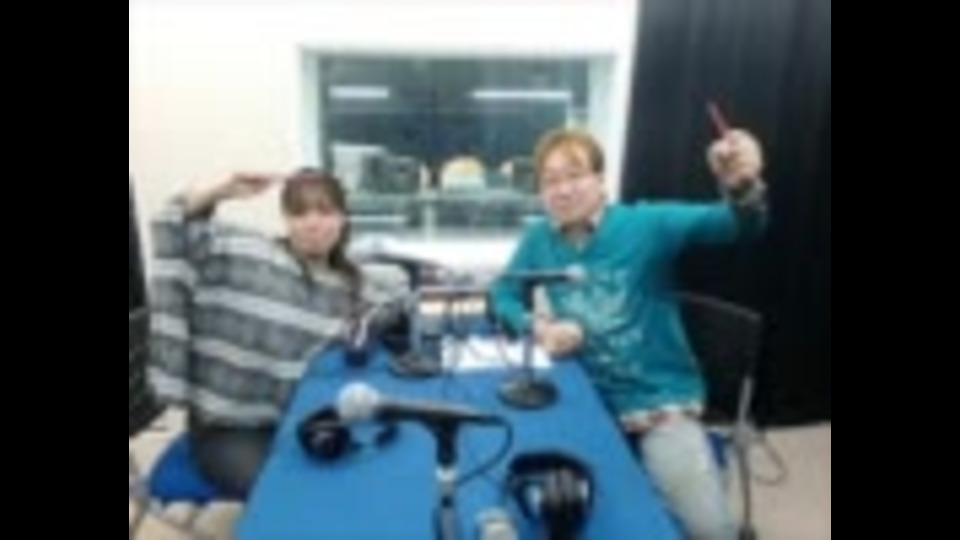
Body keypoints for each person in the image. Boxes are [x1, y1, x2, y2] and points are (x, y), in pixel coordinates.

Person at [489, 127, 768, 539]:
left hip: (656, 403)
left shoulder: (647, 224)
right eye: (550, 181)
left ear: (600, 180)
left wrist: (742, 187)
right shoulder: (539, 239)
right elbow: (503, 292)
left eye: (574, 176)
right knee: (551, 512)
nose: (562, 190)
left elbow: (737, 225)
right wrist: (538, 327)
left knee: (710, 531)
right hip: (583, 398)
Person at [147, 168, 403, 497]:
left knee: (358, 479)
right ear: (286, 219)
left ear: (342, 218)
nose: (312, 223)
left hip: (297, 417)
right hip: (228, 429)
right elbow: (172, 228)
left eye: (324, 211)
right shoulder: (247, 256)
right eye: (300, 213)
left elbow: (393, 302)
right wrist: (220, 191)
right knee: (287, 497)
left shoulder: (350, 286)